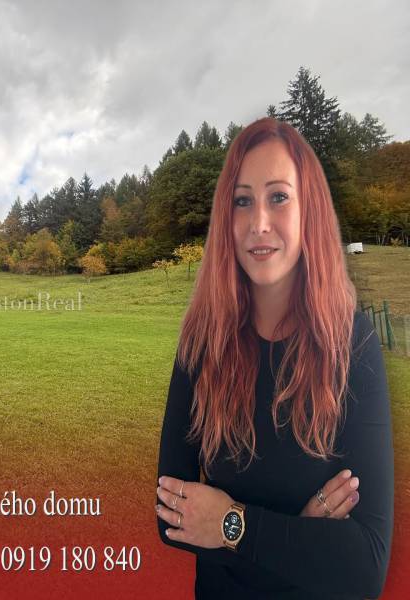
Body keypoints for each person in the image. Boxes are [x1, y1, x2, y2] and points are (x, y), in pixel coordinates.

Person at [155, 117, 394, 599]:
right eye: (242, 201)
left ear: (310, 211)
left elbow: (365, 568)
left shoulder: (352, 345)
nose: (258, 222)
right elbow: (170, 518)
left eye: (278, 197)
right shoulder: (201, 345)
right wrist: (302, 536)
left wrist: (231, 525)